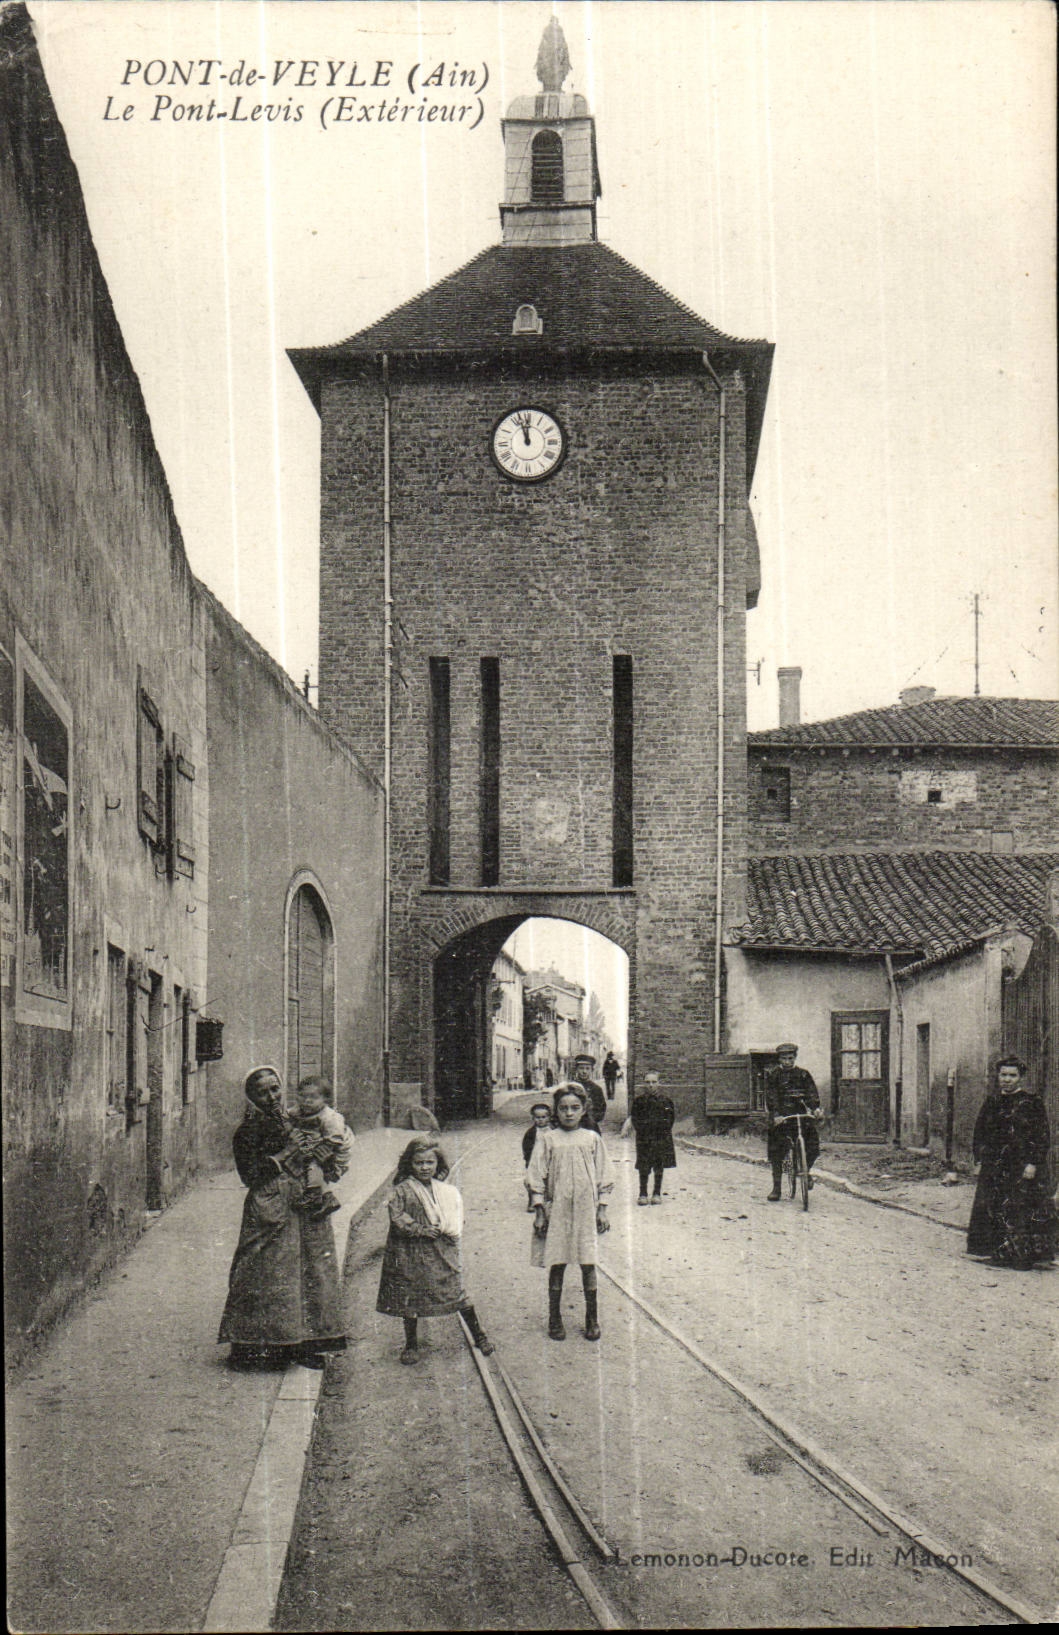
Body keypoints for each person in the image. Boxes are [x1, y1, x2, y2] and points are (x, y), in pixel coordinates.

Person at [218, 1066, 347, 1370]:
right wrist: (287, 1153)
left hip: (303, 1200)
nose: (271, 1096)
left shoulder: (294, 1119)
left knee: (310, 1270)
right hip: (270, 1205)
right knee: (263, 1272)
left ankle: (302, 1344)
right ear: (251, 1097)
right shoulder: (247, 1130)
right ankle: (253, 1347)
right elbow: (249, 1176)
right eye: (262, 1092)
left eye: (274, 1089)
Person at [376, 1136, 494, 1364]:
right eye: (419, 1163)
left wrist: (451, 1227)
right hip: (409, 1251)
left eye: (429, 1163)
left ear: (437, 1164)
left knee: (454, 1290)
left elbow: (455, 1216)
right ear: (409, 1164)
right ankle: (411, 1343)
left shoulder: (445, 1190)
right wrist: (419, 1229)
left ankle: (479, 1335)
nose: (424, 1168)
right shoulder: (402, 1190)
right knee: (410, 1297)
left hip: (439, 1250)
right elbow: (397, 1217)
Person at [528, 1084, 613, 1342]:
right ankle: (555, 1318)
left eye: (574, 1108)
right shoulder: (547, 1139)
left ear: (583, 1109)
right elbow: (535, 1175)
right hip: (559, 1209)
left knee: (588, 1263)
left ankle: (592, 1318)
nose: (568, 1113)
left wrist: (603, 1209)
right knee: (558, 1262)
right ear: (556, 1111)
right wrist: (540, 1210)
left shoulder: (592, 1139)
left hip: (587, 1209)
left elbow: (604, 1175)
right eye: (563, 1108)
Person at [967, 1056, 1056, 1268]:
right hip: (995, 1166)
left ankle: (1023, 1256)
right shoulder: (992, 1102)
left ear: (1021, 1078)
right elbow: (980, 1133)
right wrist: (979, 1160)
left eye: (1012, 1075)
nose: (1007, 1080)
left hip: (1022, 1167)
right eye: (1003, 1075)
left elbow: (1041, 1136)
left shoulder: (1032, 1103)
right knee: (995, 1206)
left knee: (1021, 1208)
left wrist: (1033, 1163)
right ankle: (998, 1253)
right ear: (998, 1076)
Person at [273, 1075, 354, 1218]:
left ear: (325, 1099)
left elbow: (335, 1139)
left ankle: (314, 1195)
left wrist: (320, 1151)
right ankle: (327, 1197)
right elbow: (285, 1118)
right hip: (309, 1145)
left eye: (313, 1097)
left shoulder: (330, 1117)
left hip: (329, 1149)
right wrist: (289, 1128)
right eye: (303, 1096)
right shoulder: (297, 1111)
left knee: (314, 1166)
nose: (307, 1101)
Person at [764, 1043, 823, 1201]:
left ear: (795, 1058)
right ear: (779, 1059)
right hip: (782, 1117)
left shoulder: (803, 1074)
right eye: (784, 1058)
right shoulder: (773, 1075)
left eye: (790, 1058)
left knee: (813, 1145)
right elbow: (771, 1096)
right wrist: (776, 1114)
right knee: (777, 1150)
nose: (787, 1061)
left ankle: (805, 1171)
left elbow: (811, 1092)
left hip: (800, 1115)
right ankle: (776, 1189)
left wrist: (815, 1108)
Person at [622, 1072, 676, 1204]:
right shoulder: (639, 1102)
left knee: (659, 1165)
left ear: (659, 1083)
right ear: (644, 1084)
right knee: (643, 1166)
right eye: (648, 1082)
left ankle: (657, 1193)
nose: (651, 1085)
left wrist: (660, 1131)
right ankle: (643, 1193)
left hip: (660, 1138)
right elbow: (635, 1119)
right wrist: (643, 1130)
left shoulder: (666, 1101)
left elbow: (670, 1120)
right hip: (644, 1138)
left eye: (654, 1082)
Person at [522, 1102, 553, 1210]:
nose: (540, 1120)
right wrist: (527, 1159)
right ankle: (532, 1200)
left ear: (549, 1117)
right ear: (533, 1118)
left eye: (543, 1117)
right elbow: (526, 1146)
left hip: (548, 1159)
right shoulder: (531, 1132)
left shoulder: (553, 1131)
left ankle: (546, 1200)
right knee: (532, 1179)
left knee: (548, 1179)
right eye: (537, 1117)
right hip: (535, 1160)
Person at [572, 1053, 607, 1131]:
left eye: (587, 1068)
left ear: (592, 1070)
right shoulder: (570, 1087)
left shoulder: (596, 1089)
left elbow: (601, 1110)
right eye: (581, 1068)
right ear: (576, 1069)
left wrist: (591, 1118)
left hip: (590, 1127)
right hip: (571, 1125)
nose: (584, 1071)